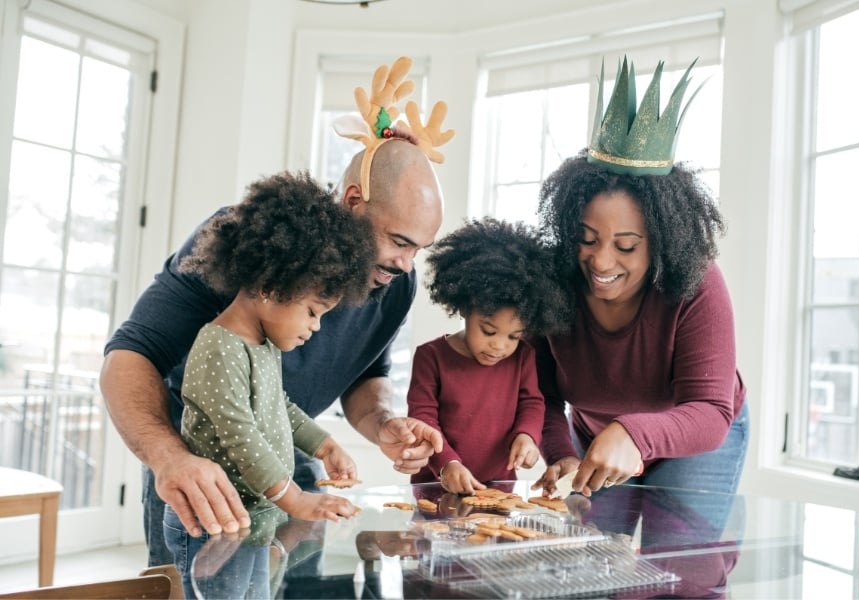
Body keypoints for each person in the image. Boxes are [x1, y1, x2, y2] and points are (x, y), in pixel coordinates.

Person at [99, 56, 453, 566]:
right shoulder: (245, 240)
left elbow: (363, 373)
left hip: (289, 466)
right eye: (399, 241)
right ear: (354, 200)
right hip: (203, 482)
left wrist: (381, 424)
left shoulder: (396, 282)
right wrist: (168, 457)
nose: (405, 263)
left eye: (419, 248)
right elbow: (131, 355)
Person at [531, 56, 749, 499]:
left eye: (626, 246)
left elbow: (709, 411)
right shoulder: (551, 280)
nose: (602, 262)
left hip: (696, 443)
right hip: (596, 436)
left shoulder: (697, 282)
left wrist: (633, 434)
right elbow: (540, 394)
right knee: (592, 557)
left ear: (662, 242)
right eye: (587, 238)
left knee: (688, 561)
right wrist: (560, 453)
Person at [161, 171, 371, 596]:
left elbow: (280, 407)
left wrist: (323, 445)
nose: (315, 327)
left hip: (252, 520)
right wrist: (296, 500)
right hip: (213, 523)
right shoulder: (219, 346)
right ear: (273, 287)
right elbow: (241, 435)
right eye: (313, 311)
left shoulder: (263, 345)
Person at [406, 218, 570, 494]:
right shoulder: (430, 357)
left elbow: (532, 403)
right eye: (488, 330)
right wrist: (448, 464)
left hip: (498, 488)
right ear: (464, 308)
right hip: (437, 484)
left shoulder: (523, 357)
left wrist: (527, 436)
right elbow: (423, 419)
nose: (499, 346)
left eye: (513, 336)